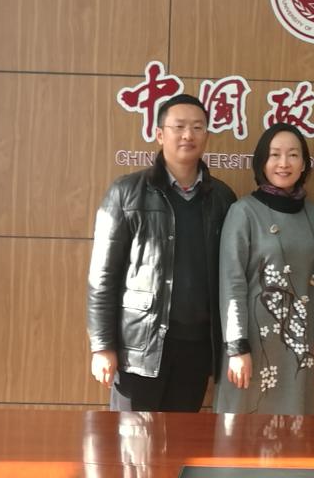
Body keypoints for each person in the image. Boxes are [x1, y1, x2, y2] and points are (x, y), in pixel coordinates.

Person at [86, 93, 237, 411]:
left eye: (197, 127)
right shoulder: (126, 192)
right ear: (159, 134)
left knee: (180, 438)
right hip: (139, 346)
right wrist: (102, 346)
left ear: (207, 135)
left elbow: (231, 277)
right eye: (178, 126)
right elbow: (102, 276)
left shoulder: (222, 198)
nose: (188, 135)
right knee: (132, 438)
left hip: (197, 348)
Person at [215, 123, 314, 414]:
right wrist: (237, 347)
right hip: (252, 343)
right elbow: (232, 283)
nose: (283, 163)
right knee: (243, 428)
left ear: (304, 163)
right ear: (261, 162)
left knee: (294, 427)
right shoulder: (243, 212)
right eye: (275, 154)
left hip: (299, 344)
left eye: (293, 155)